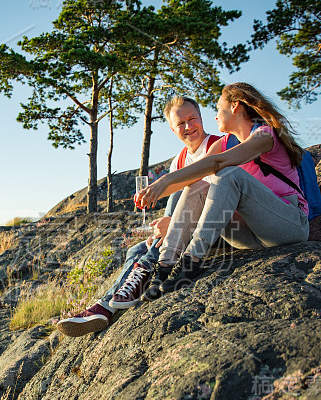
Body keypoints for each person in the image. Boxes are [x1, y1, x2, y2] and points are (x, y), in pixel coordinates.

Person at [56, 96, 221, 337]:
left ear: (201, 117)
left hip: (213, 229)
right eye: (180, 123)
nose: (187, 127)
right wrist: (165, 226)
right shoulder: (181, 158)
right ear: (172, 129)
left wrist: (173, 225)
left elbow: (214, 197)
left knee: (182, 196)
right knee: (135, 251)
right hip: (186, 230)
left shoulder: (218, 145)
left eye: (192, 119)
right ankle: (104, 308)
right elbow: (176, 207)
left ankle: (133, 280)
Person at [136, 82, 309, 301]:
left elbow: (218, 163)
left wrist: (166, 179)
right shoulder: (226, 142)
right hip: (249, 235)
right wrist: (152, 192)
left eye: (218, 107)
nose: (215, 115)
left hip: (288, 225)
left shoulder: (265, 135)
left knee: (227, 174)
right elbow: (196, 173)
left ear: (235, 106)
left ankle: (192, 261)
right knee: (198, 184)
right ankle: (165, 266)